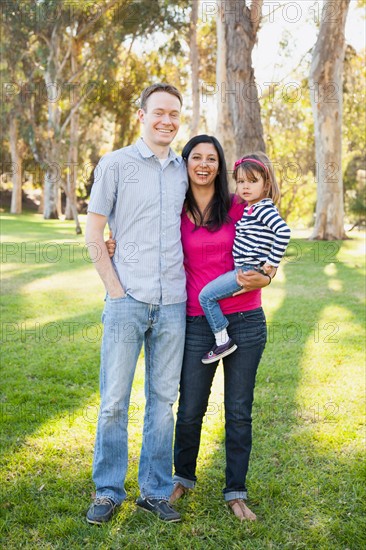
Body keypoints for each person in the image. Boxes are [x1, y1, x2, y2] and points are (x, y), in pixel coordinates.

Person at [85, 83, 188, 525]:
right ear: (141, 115)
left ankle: (155, 491)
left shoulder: (187, 169)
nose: (167, 120)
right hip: (127, 300)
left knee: (163, 402)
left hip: (174, 303)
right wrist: (115, 290)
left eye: (174, 114)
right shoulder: (115, 164)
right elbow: (93, 233)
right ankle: (108, 491)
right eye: (159, 112)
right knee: (113, 401)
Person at [169, 135, 275, 521]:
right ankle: (181, 478)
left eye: (211, 158)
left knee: (239, 410)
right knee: (190, 408)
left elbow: (270, 237)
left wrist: (269, 275)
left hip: (246, 320)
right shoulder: (174, 208)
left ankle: (235, 491)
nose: (203, 164)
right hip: (199, 324)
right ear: (185, 163)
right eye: (196, 157)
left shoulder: (238, 205)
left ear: (220, 165)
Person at [198, 153, 291, 364]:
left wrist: (272, 263)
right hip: (243, 267)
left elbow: (283, 232)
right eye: (240, 181)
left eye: (252, 181)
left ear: (266, 185)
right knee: (209, 296)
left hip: (246, 270)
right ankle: (222, 338)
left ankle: (222, 340)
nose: (245, 186)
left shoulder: (263, 208)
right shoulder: (251, 208)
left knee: (206, 297)